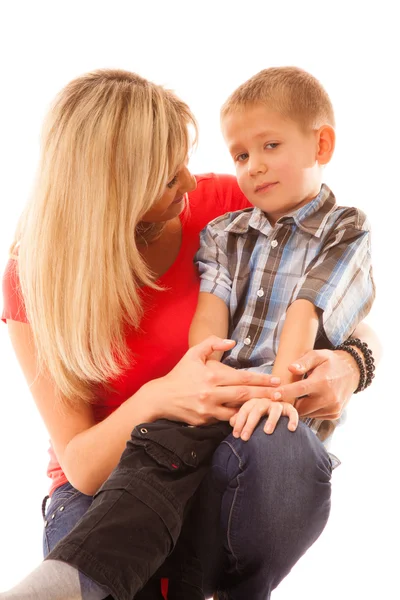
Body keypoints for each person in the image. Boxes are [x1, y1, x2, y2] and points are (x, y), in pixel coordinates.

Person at [0, 69, 379, 600]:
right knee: (119, 551)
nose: (188, 180)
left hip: (226, 462)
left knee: (277, 440)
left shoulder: (225, 209)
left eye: (183, 158)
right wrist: (161, 397)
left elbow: (344, 314)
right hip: (107, 490)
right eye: (165, 175)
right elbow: (83, 466)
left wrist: (353, 365)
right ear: (114, 189)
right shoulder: (35, 277)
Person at [190, 65, 375, 443]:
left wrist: (277, 395)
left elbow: (306, 311)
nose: (254, 166)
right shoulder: (224, 233)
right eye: (240, 156)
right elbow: (209, 314)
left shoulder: (345, 229)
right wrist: (206, 379)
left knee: (270, 443)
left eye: (270, 146)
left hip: (287, 406)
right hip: (222, 399)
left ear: (321, 145)